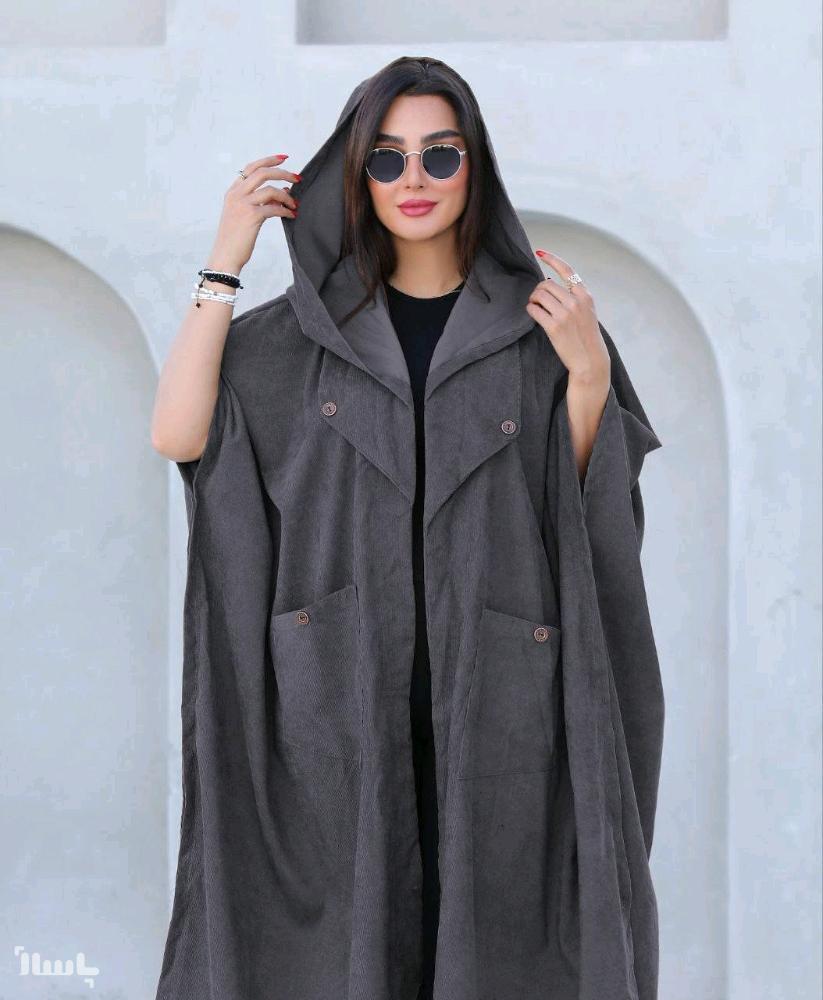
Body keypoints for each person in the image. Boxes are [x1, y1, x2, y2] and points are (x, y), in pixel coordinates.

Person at [151, 56, 664, 1000]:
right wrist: (224, 262)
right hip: (332, 704)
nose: (413, 179)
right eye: (385, 159)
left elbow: (590, 508)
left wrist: (588, 377)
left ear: (475, 168)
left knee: (504, 946)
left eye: (440, 154)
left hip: (505, 701)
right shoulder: (289, 337)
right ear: (356, 174)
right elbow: (179, 435)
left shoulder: (542, 331)